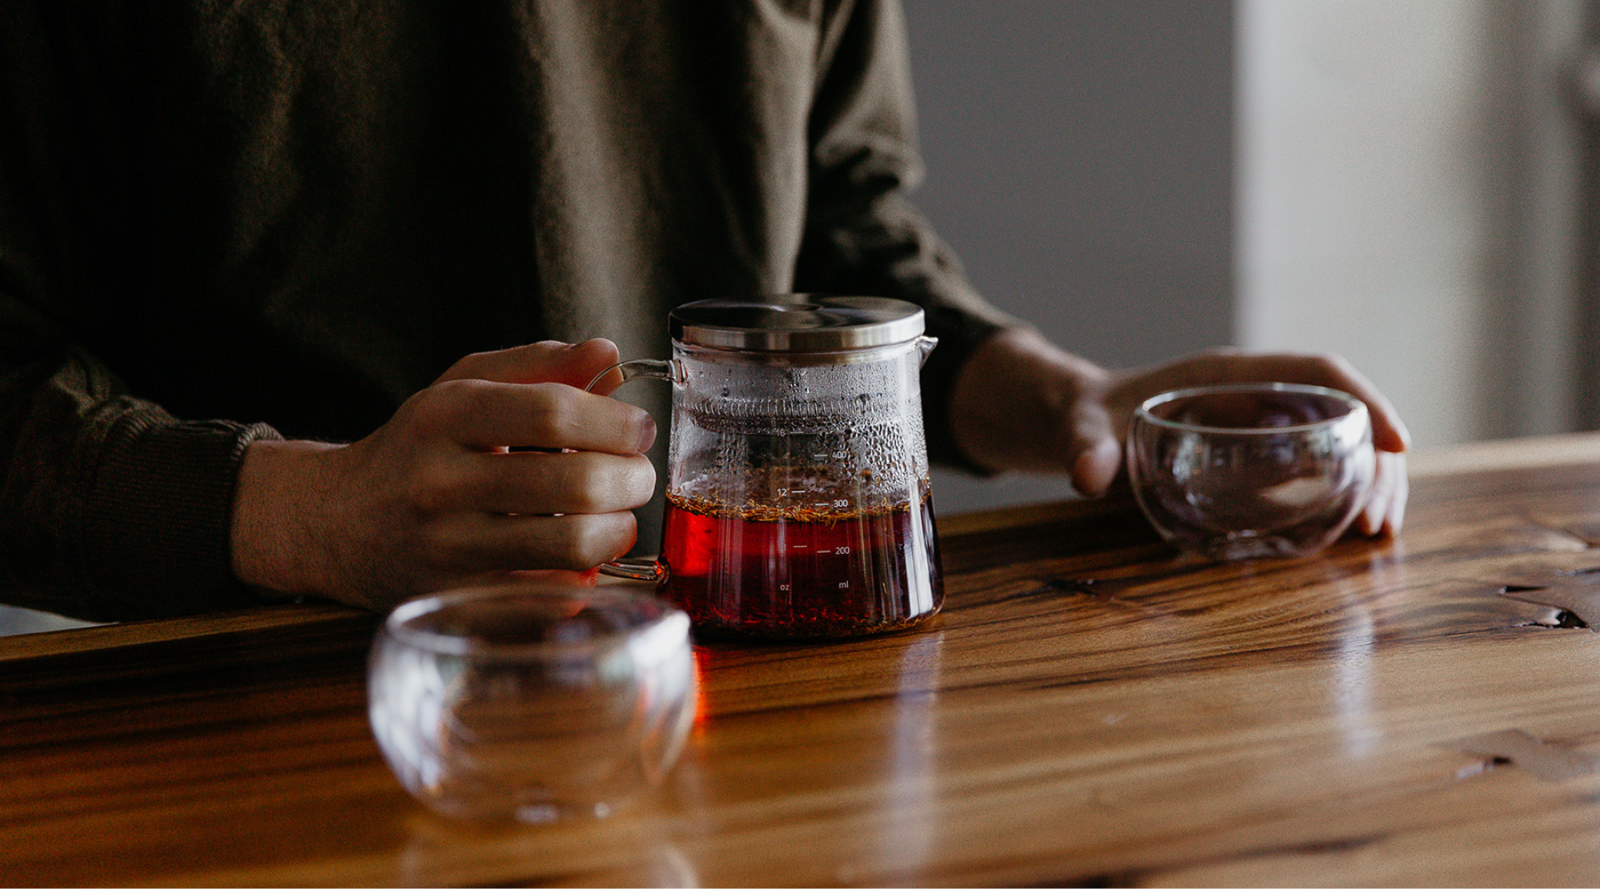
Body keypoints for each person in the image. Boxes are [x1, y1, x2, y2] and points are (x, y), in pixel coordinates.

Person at [0, 1, 1406, 622]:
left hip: (720, 662)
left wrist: (1053, 395)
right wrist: (314, 514)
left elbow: (835, 234)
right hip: (230, 686)